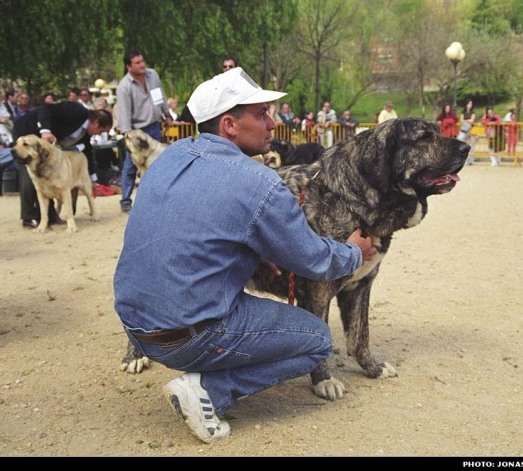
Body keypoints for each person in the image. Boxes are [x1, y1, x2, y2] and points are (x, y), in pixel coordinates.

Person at [113, 67, 377, 444]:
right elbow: (313, 260)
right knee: (318, 339)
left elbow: (189, 232)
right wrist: (354, 252)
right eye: (261, 114)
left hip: (136, 327)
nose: (273, 123)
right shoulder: (259, 182)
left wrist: (253, 251)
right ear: (229, 125)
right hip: (186, 338)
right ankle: (208, 393)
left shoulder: (168, 160)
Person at [13, 102, 113, 229]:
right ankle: (29, 217)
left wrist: (93, 179)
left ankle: (51, 216)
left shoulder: (84, 135)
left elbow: (87, 152)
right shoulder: (77, 111)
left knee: (46, 179)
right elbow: (46, 108)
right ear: (96, 123)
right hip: (27, 130)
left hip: (44, 145)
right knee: (29, 178)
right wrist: (45, 130)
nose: (98, 134)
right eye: (100, 131)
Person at [116, 49, 172, 213]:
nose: (142, 65)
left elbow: (159, 95)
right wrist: (128, 135)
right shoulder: (124, 87)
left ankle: (158, 196)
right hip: (136, 131)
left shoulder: (152, 75)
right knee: (130, 166)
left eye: (142, 61)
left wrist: (166, 114)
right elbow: (124, 113)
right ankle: (125, 200)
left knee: (159, 164)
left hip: (154, 126)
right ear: (128, 67)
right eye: (137, 63)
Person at [456, 98, 477, 165]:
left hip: (470, 129)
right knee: (460, 142)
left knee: (471, 145)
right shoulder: (463, 112)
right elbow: (461, 120)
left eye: (471, 104)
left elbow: (472, 120)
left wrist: (466, 120)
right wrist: (468, 120)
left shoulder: (473, 112)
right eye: (469, 103)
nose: (470, 105)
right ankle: (461, 160)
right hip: (463, 129)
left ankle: (471, 160)